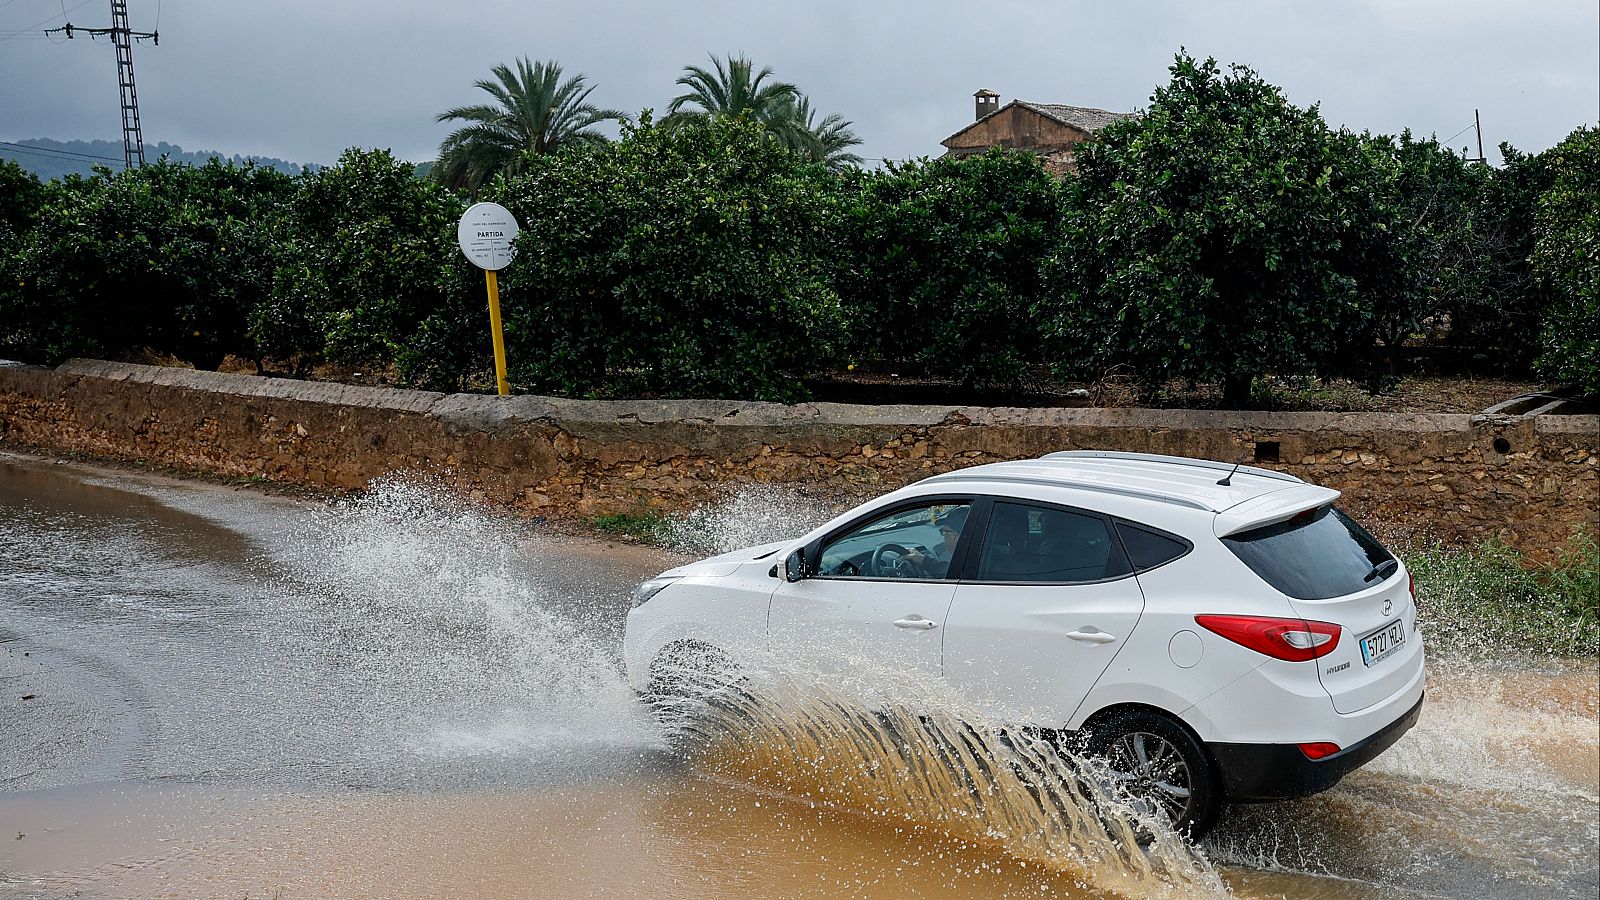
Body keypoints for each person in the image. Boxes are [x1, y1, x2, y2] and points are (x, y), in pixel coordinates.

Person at [903, 505, 968, 578]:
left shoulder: (964, 569)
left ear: (955, 537)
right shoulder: (975, 558)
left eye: (945, 532)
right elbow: (947, 569)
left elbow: (950, 573)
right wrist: (923, 560)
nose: (944, 536)